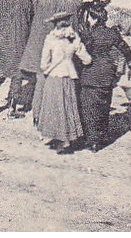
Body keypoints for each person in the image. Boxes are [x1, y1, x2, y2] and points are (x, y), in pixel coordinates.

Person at [77, 0, 131, 151]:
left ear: (94, 18)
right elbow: (125, 49)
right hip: (107, 72)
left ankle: (91, 139)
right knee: (103, 104)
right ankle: (100, 138)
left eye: (89, 16)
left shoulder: (89, 34)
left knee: (89, 106)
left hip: (91, 72)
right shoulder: (111, 33)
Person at [34, 10, 92, 152]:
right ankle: (66, 138)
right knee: (67, 106)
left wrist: (47, 68)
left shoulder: (50, 39)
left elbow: (43, 63)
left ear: (55, 24)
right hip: (69, 74)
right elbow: (87, 59)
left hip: (54, 76)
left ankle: (53, 136)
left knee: (53, 107)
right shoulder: (73, 38)